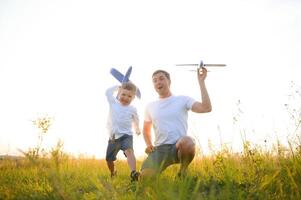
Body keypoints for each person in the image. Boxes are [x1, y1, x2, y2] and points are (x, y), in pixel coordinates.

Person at [141, 67, 212, 178]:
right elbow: (146, 130)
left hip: (178, 147)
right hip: (159, 149)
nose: (158, 82)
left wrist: (201, 82)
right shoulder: (150, 106)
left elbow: (206, 108)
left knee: (188, 141)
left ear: (169, 81)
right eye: (154, 80)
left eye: (161, 78)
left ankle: (182, 173)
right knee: (145, 178)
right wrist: (149, 144)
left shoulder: (182, 100)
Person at [105, 82, 141, 182]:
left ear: (133, 98)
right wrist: (117, 87)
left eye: (129, 96)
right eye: (123, 94)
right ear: (119, 93)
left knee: (129, 151)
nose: (126, 98)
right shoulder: (114, 103)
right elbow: (107, 92)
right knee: (109, 159)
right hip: (113, 137)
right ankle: (113, 172)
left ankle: (133, 173)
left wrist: (137, 128)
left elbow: (135, 120)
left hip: (127, 135)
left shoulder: (132, 109)